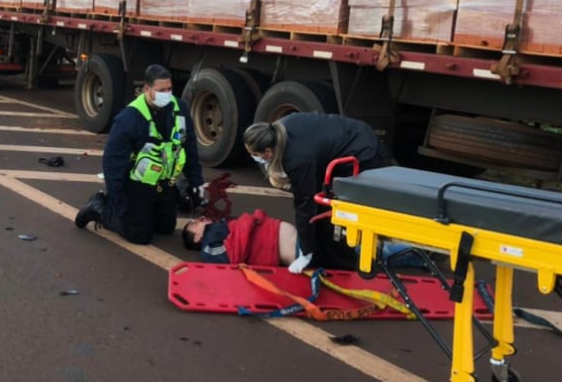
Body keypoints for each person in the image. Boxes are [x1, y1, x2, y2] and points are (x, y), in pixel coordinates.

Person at [242, 112, 394, 273]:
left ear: (268, 152)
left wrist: (306, 253)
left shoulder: (297, 159)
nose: (255, 159)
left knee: (336, 216)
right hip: (353, 138)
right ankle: (340, 259)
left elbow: (305, 205)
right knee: (324, 215)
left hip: (363, 154)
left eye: (256, 155)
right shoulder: (280, 128)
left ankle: (355, 264)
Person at [74, 64, 204, 244]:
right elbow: (113, 163)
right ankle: (99, 208)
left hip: (164, 181)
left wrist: (196, 181)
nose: (166, 94)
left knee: (165, 228)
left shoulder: (179, 108)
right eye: (161, 90)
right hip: (138, 183)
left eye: (169, 89)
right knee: (139, 236)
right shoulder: (129, 118)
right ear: (147, 89)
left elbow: (189, 147)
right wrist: (117, 200)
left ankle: (155, 207)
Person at [181, 209, 423, 269]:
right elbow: (233, 255)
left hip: (301, 242)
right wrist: (250, 219)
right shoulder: (211, 245)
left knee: (355, 245)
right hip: (298, 250)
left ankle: (416, 252)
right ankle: (419, 255)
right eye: (197, 222)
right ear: (197, 236)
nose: (203, 219)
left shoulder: (222, 229)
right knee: (360, 253)